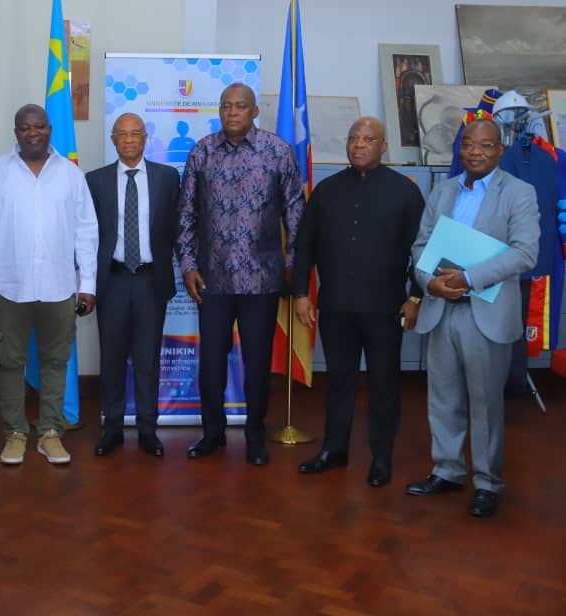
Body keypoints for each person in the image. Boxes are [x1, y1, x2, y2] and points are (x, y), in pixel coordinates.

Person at [405, 118, 539, 518]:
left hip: (486, 310)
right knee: (443, 398)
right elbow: (421, 245)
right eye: (468, 145)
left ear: (500, 150)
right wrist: (429, 283)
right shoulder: (443, 190)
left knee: (485, 403)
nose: (475, 152)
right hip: (441, 308)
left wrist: (469, 277)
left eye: (485, 145)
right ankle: (447, 471)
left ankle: (487, 482)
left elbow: (525, 252)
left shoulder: (519, 193)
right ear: (459, 149)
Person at [292, 116, 425, 487]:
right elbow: (304, 246)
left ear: (384, 147)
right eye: (354, 138)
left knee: (384, 385)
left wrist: (415, 296)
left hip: (385, 308)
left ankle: (381, 459)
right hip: (336, 307)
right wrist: (302, 293)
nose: (360, 144)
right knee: (338, 382)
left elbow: (424, 251)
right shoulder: (326, 190)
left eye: (369, 139)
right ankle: (334, 450)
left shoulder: (405, 192)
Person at [176, 82, 304, 464]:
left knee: (257, 364)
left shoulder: (277, 151)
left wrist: (292, 269)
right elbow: (186, 214)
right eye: (226, 106)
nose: (232, 112)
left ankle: (254, 437)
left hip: (262, 280)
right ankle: (212, 433)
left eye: (240, 106)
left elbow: (295, 214)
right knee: (211, 362)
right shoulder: (202, 151)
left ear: (254, 112)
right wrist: (188, 266)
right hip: (211, 279)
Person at [0, 104, 98, 466]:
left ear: (49, 129)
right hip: (9, 286)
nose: (33, 133)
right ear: (16, 132)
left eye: (39, 126)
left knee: (55, 361)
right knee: (9, 362)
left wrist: (88, 284)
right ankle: (14, 433)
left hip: (59, 286)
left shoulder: (71, 175)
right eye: (25, 128)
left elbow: (86, 232)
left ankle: (50, 433)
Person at [86, 113, 179, 457]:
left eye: (135, 134)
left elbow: (177, 228)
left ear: (145, 138)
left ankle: (147, 430)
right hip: (112, 279)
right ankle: (111, 428)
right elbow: (87, 235)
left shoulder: (168, 178)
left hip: (151, 282)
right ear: (113, 139)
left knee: (147, 359)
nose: (128, 140)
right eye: (122, 134)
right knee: (111, 358)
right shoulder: (94, 181)